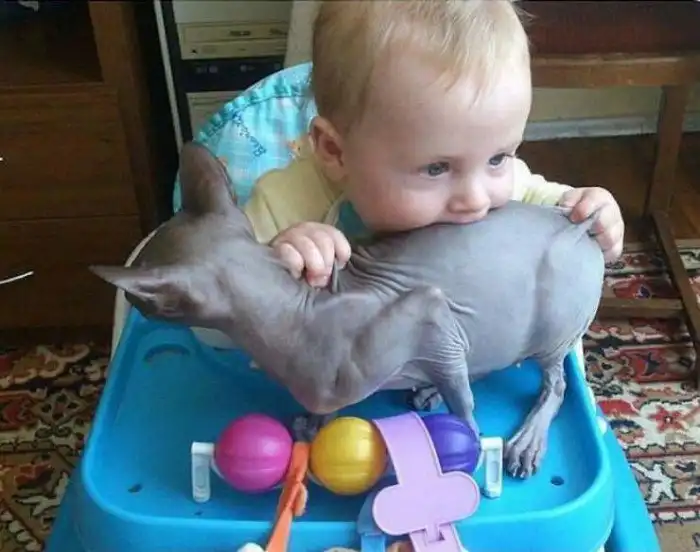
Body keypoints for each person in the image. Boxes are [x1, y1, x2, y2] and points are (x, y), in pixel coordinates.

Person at [241, 0, 625, 289]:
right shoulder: (284, 204)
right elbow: (220, 308)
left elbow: (555, 212)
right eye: (437, 168)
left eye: (497, 158)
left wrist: (589, 215)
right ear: (335, 152)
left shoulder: (505, 190)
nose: (475, 199)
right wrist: (277, 262)